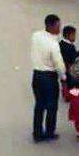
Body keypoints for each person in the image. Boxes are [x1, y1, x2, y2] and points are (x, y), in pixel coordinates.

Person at [30, 14, 67, 143]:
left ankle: (37, 133)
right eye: (58, 26)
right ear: (50, 26)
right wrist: (63, 78)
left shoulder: (36, 35)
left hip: (37, 75)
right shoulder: (53, 44)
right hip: (49, 77)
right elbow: (59, 64)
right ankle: (49, 131)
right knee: (51, 106)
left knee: (39, 105)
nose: (59, 29)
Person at [59, 25, 79, 90]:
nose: (75, 37)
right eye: (74, 35)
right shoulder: (69, 47)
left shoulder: (61, 44)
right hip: (69, 74)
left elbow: (72, 55)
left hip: (64, 74)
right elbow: (71, 59)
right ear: (69, 35)